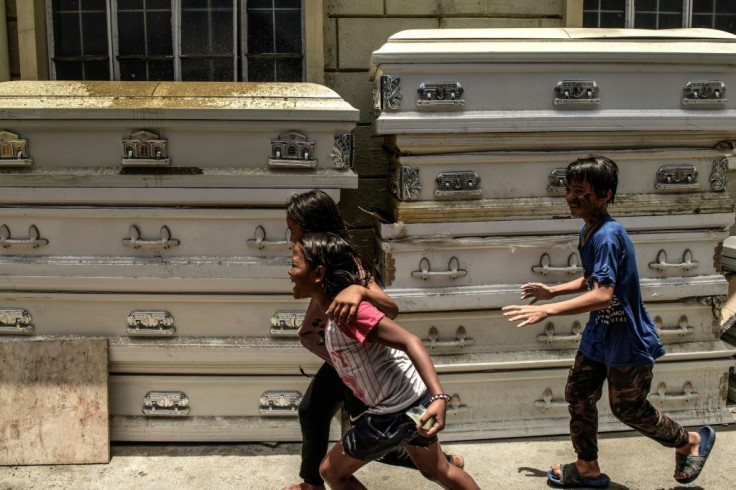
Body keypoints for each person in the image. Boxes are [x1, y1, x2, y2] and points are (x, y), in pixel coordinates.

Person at [501, 155, 716, 488]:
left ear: (605, 195)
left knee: (628, 408)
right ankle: (586, 467)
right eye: (569, 190)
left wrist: (548, 312)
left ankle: (688, 440)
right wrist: (552, 291)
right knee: (579, 393)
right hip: (600, 333)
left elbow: (602, 295)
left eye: (581, 192)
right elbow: (593, 278)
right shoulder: (590, 230)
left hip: (626, 337)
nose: (571, 198)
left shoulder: (607, 235)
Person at [283, 190, 462, 490]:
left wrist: (361, 291)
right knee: (316, 412)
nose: (290, 238)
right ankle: (312, 483)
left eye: (293, 230)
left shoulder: (345, 264)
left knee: (372, 438)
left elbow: (391, 310)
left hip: (365, 365)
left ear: (310, 227)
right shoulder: (318, 262)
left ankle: (441, 460)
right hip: (347, 361)